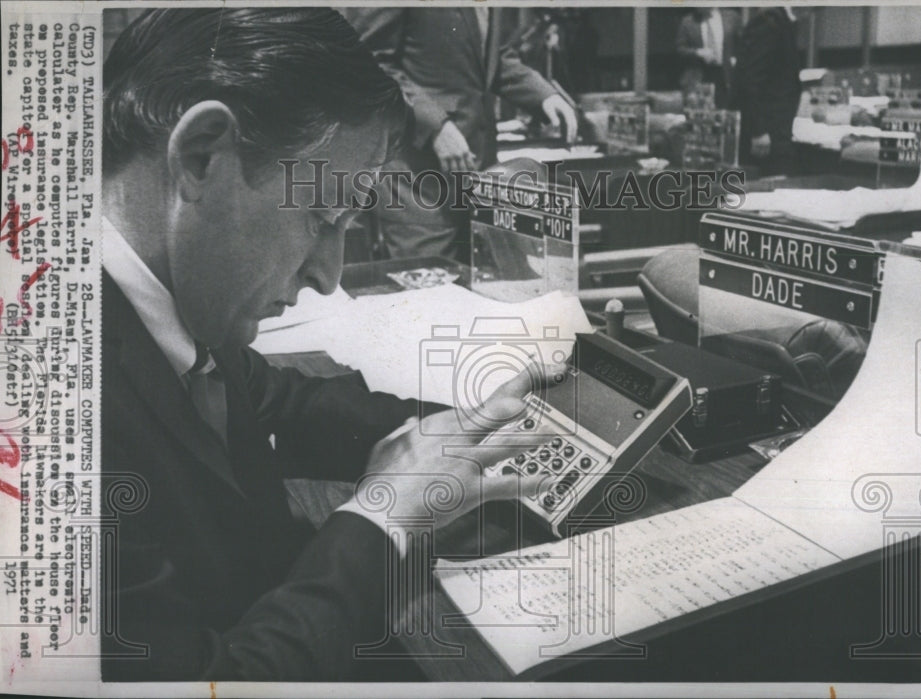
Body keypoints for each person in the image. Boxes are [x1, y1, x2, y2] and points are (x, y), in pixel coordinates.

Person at [100, 8, 551, 681]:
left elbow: (277, 400)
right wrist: (382, 515)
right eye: (322, 217)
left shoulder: (167, 304)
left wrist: (457, 431)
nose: (327, 275)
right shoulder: (49, 413)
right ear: (201, 156)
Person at [342, 8, 578, 260]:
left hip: (479, 174)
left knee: (486, 287)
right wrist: (436, 126)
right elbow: (366, 64)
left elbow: (493, 56)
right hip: (418, 184)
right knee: (431, 293)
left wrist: (543, 95)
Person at [733, 6, 803, 175]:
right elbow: (749, 79)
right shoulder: (769, 21)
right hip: (767, 132)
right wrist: (758, 130)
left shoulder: (781, 21)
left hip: (776, 129)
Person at [675, 8, 741, 108]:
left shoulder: (732, 18)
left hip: (724, 75)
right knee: (701, 113)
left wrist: (736, 58)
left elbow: (743, 43)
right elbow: (680, 48)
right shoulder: (688, 21)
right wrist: (697, 52)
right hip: (699, 75)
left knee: (725, 111)